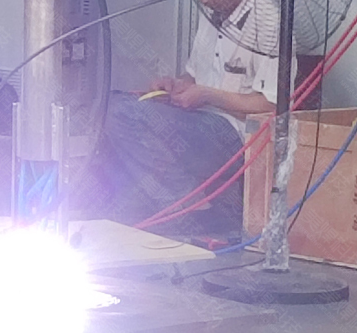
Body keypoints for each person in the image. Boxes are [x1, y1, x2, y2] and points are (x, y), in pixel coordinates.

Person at [76, 0, 283, 235]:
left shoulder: (268, 19)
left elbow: (271, 106)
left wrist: (208, 95)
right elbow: (194, 76)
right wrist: (174, 86)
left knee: (123, 114)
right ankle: (155, 210)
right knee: (110, 105)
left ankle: (186, 211)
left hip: (237, 135)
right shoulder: (213, 11)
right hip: (198, 120)